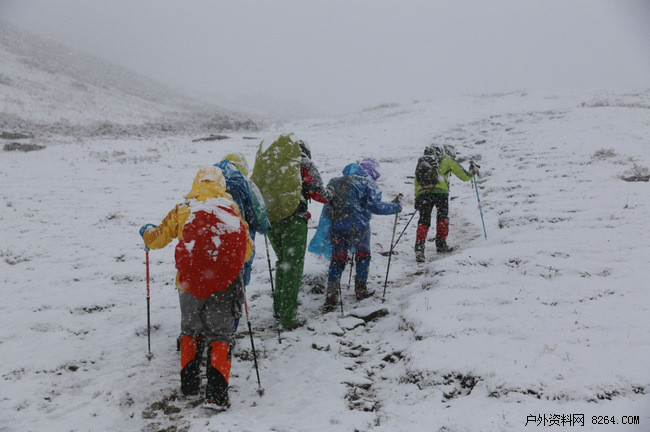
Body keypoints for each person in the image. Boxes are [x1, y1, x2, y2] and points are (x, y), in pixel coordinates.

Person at [140, 166, 254, 410]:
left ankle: (189, 385)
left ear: (196, 183)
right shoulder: (231, 210)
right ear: (221, 185)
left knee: (191, 331)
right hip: (223, 284)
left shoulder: (184, 209)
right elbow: (247, 252)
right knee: (220, 336)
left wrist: (146, 232)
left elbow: (156, 239)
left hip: (190, 284)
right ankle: (217, 394)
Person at [251, 134, 332, 329]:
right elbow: (319, 194)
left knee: (282, 263)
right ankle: (288, 317)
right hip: (293, 221)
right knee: (293, 267)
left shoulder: (271, 163)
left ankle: (279, 308)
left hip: (271, 221)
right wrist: (331, 192)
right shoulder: (303, 163)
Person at [309, 159, 401, 312]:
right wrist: (395, 207)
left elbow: (327, 204)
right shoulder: (366, 182)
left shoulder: (335, 181)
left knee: (338, 259)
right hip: (359, 226)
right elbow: (376, 206)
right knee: (363, 255)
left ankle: (331, 296)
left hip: (337, 226)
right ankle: (360, 290)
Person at [413, 144, 479, 262]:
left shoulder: (423, 161)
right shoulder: (448, 160)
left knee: (423, 220)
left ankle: (419, 247)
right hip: (440, 193)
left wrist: (417, 197)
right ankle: (441, 244)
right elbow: (464, 176)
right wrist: (473, 171)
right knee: (442, 217)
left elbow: (417, 180)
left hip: (423, 193)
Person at [214, 153, 269, 287]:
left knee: (216, 277)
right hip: (241, 241)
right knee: (239, 277)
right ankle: (238, 294)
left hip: (213, 241)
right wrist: (264, 227)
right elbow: (258, 213)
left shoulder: (210, 183)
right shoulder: (246, 184)